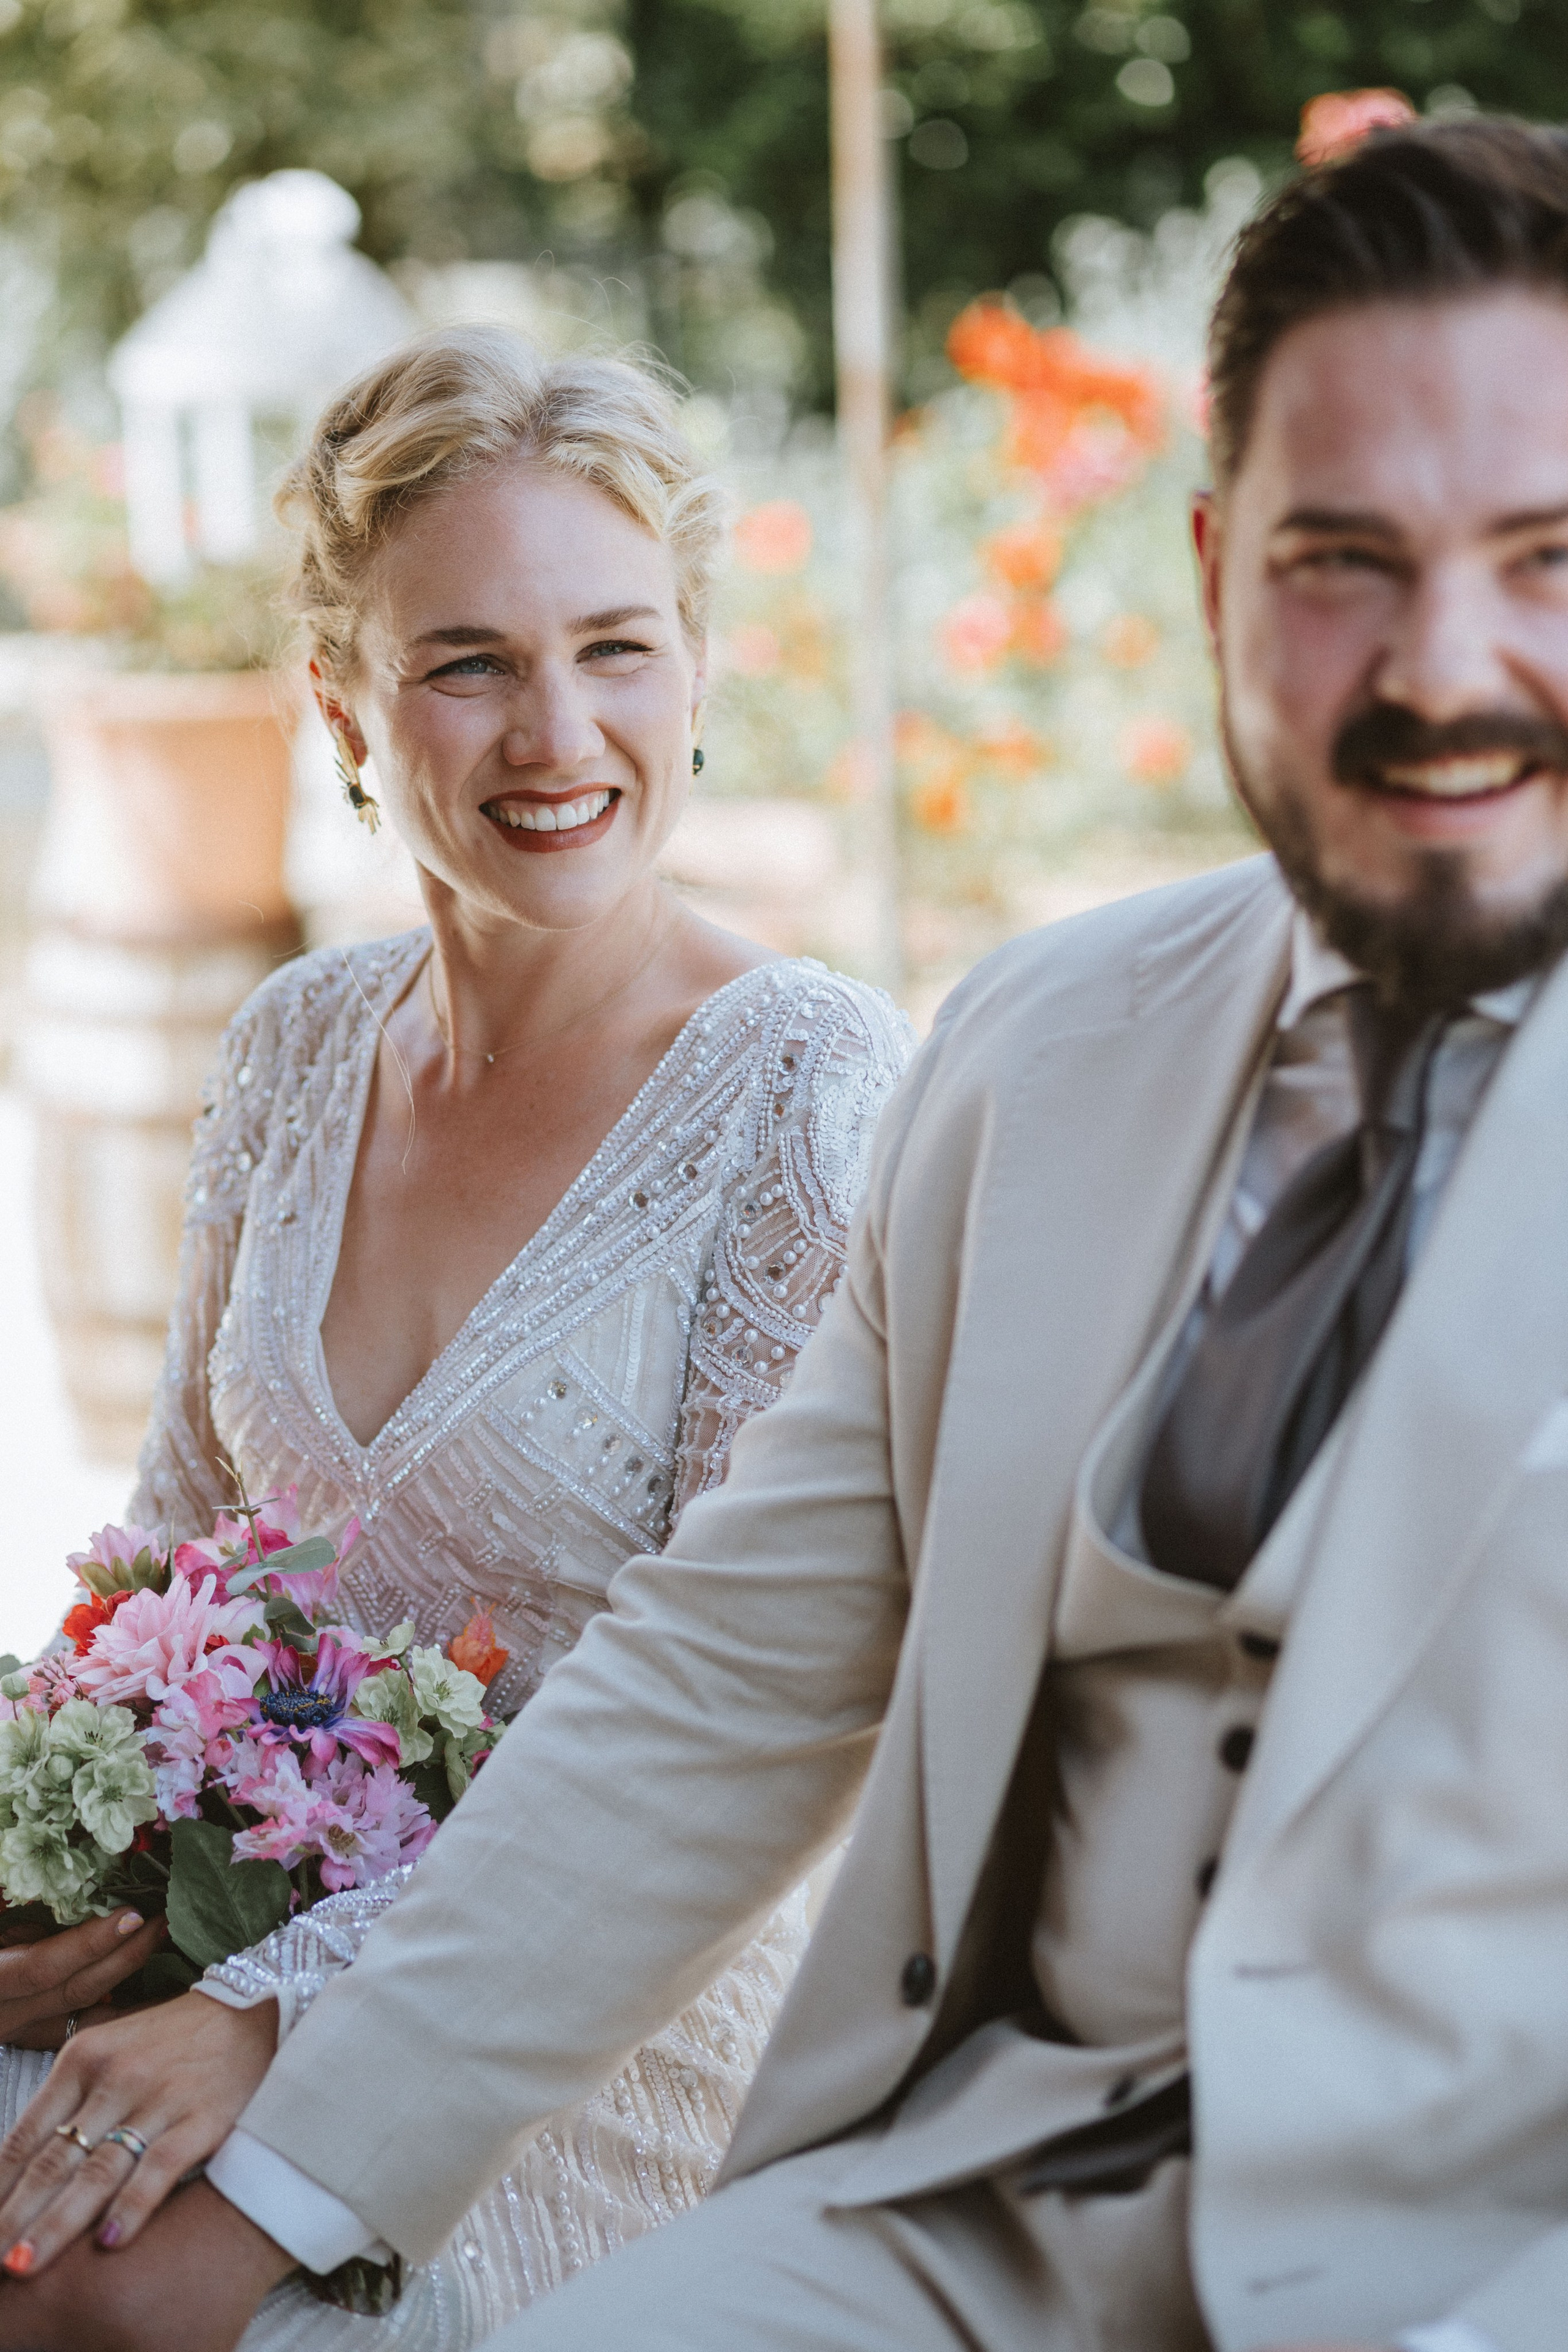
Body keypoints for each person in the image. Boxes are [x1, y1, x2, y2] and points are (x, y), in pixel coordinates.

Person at [7, 110, 1568, 2352]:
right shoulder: (1044, 1051)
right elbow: (723, 1689)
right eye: (1348, 557)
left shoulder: (810, 1068)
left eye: (1545, 553)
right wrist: (273, 2151)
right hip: (977, 2208)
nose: (1446, 662)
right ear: (1220, 570)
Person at [0, 326, 910, 2346]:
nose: (552, 733)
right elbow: (169, 1551)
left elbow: (760, 1740)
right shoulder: (296, 1045)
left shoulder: (806, 1090)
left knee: (80, 2299)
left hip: (599, 2029)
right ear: (341, 700)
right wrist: (46, 1869)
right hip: (224, 1948)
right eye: (468, 661)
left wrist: (288, 2013)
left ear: (700, 671)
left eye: (615, 648)